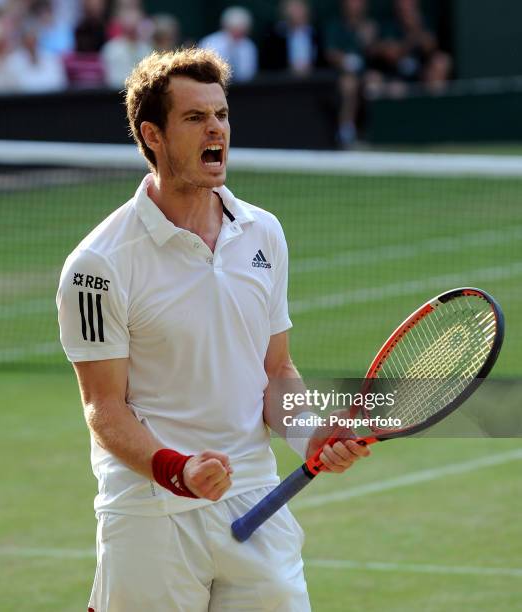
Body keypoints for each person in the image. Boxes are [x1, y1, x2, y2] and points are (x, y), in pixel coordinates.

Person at [56, 48, 369, 611]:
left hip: (257, 501)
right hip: (151, 514)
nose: (216, 129)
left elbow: (275, 371)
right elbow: (103, 409)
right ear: (152, 135)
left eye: (221, 114)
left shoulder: (264, 234)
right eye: (195, 118)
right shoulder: (96, 266)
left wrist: (310, 434)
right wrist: (179, 472)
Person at [324, 0, 381, 147]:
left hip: (365, 74)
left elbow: (376, 54)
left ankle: (372, 132)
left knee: (374, 81)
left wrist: (369, 41)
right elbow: (330, 53)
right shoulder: (335, 25)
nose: (355, 5)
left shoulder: (370, 25)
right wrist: (345, 60)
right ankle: (346, 133)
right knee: (349, 84)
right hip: (341, 75)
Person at [260, 0, 323, 75]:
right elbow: (268, 63)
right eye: (292, 8)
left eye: (299, 7)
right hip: (283, 81)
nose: (296, 12)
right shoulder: (274, 36)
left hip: (314, 80)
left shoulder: (316, 34)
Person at [199, 6, 258, 82]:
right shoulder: (210, 42)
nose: (238, 33)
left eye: (242, 30)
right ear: (226, 26)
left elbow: (248, 73)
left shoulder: (249, 46)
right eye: (234, 29)